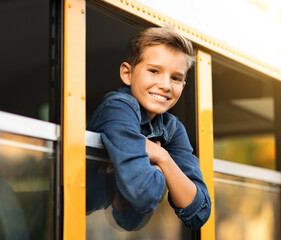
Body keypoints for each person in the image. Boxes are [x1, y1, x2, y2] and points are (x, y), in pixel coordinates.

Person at [87, 27, 211, 229]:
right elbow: (143, 194)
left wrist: (162, 157)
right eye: (154, 71)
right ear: (127, 74)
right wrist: (168, 174)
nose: (165, 85)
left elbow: (200, 212)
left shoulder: (171, 127)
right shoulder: (118, 107)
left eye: (176, 78)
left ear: (183, 85)